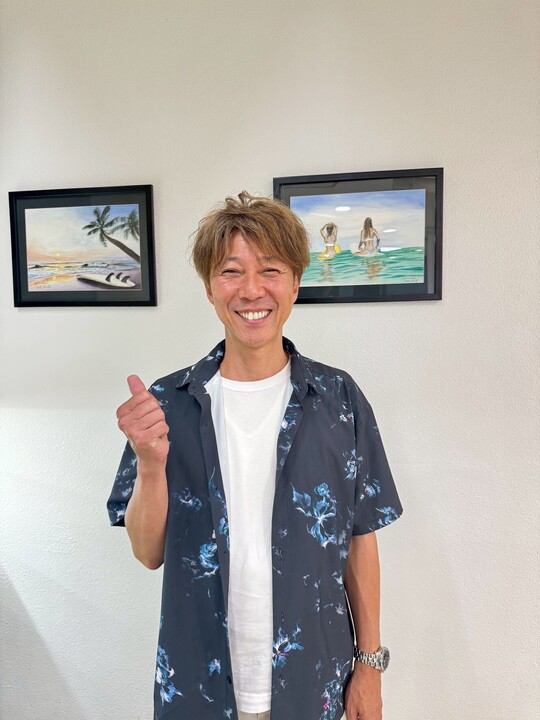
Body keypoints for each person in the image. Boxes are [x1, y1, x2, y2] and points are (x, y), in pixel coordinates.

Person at [107, 192, 403, 720]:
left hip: (316, 682)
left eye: (270, 269)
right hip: (199, 686)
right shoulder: (168, 403)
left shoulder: (338, 400)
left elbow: (360, 539)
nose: (251, 290)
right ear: (209, 287)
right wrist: (149, 463)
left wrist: (370, 666)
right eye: (231, 271)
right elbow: (148, 553)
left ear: (295, 283)